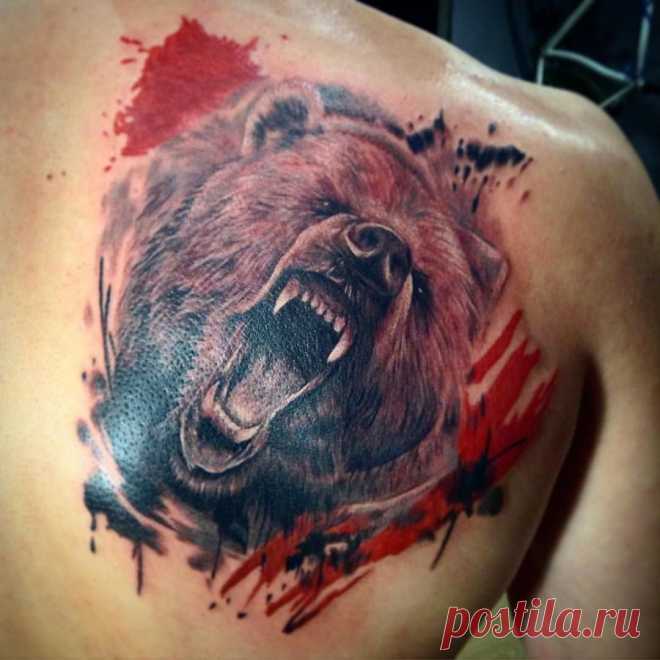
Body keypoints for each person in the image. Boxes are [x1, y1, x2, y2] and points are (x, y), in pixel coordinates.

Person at [0, 1, 658, 658]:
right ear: (269, 133)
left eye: (419, 282)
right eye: (325, 204)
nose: (376, 251)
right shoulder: (582, 193)